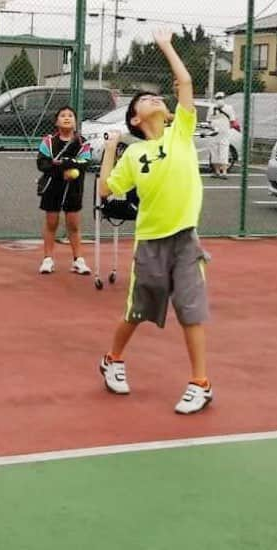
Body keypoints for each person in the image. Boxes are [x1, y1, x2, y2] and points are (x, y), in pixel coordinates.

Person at [97, 29, 212, 415]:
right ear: (135, 117)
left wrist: (166, 46)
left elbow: (185, 81)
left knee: (190, 310)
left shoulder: (181, 132)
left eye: (156, 96)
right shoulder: (135, 154)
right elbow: (105, 191)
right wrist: (111, 148)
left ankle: (200, 382)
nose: (155, 99)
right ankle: (113, 358)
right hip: (150, 242)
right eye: (145, 99)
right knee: (137, 311)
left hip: (185, 239)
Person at [37, 105, 93, 276]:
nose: (67, 118)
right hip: (52, 187)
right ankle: (47, 259)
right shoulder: (48, 141)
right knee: (51, 222)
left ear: (75, 122)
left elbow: (85, 163)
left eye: (70, 115)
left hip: (74, 188)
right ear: (56, 121)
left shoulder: (82, 142)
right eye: (63, 115)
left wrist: (66, 164)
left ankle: (78, 260)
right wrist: (64, 171)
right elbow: (43, 164)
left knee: (73, 224)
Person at [207, 91, 236, 179]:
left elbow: (208, 120)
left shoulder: (211, 108)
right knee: (223, 151)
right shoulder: (229, 108)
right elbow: (232, 120)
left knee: (215, 151)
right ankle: (224, 172)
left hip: (214, 132)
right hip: (224, 132)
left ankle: (217, 172)